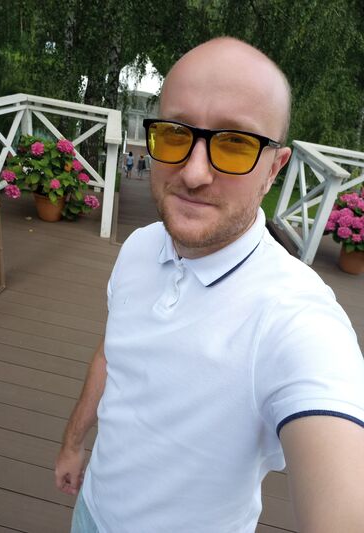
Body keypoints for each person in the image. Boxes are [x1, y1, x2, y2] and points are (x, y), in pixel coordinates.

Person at [55, 37, 364, 533]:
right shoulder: (139, 248)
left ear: (274, 168)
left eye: (235, 144)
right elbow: (113, 352)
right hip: (91, 512)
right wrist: (74, 443)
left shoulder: (295, 318)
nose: (194, 173)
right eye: (174, 134)